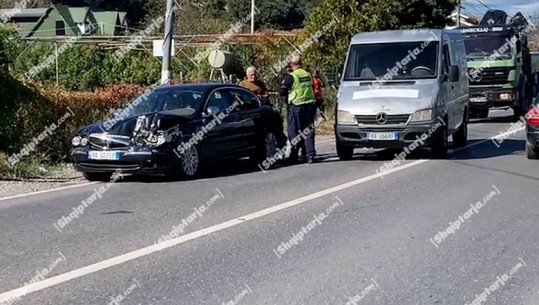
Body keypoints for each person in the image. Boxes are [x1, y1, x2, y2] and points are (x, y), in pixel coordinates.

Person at [279, 56, 318, 164]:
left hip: (296, 106)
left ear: (291, 65)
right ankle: (310, 155)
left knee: (294, 131)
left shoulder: (291, 77)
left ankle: (294, 155)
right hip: (310, 105)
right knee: (308, 130)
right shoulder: (308, 74)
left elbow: (282, 92)